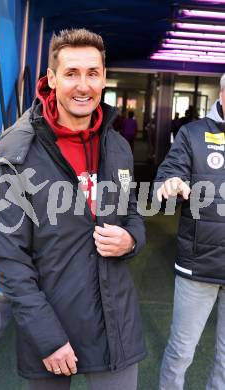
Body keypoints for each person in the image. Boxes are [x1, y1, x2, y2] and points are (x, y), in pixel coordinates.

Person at [0, 28, 146, 390]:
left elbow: (132, 212)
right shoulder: (15, 155)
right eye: (72, 73)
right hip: (53, 328)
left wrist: (131, 239)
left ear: (104, 78)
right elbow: (10, 259)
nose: (83, 85)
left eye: (92, 73)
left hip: (115, 324)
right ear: (52, 79)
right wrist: (46, 336)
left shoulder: (118, 146)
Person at [156, 73, 225, 390]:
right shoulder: (193, 133)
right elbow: (168, 174)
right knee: (182, 351)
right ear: (222, 95)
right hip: (199, 264)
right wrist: (169, 184)